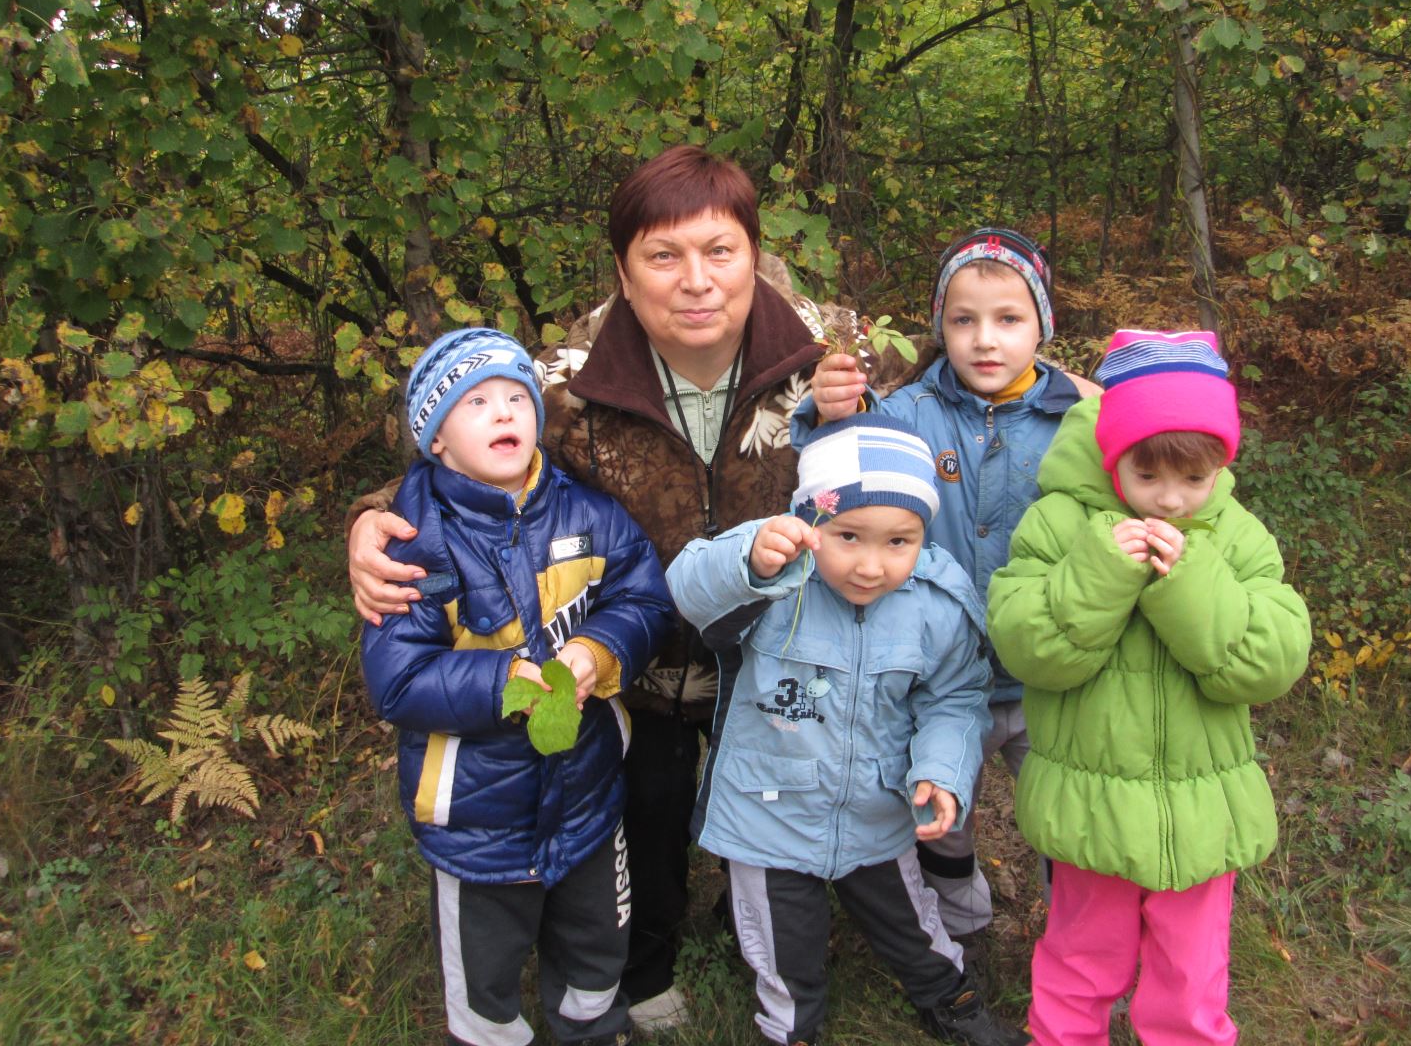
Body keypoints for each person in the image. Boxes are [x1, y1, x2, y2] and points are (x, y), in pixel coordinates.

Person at [346, 146, 927, 1031]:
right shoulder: (564, 383)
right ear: (623, 271)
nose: (696, 282)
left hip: (784, 652)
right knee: (647, 811)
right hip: (632, 666)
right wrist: (372, 516)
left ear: (755, 251)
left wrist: (1082, 394)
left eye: (719, 251)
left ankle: (779, 936)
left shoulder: (833, 353)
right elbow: (462, 453)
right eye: (663, 256)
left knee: (784, 807)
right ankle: (642, 961)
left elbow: (953, 403)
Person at [986, 329, 1311, 1045]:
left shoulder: (1237, 535)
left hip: (1202, 810)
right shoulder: (1061, 521)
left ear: (1219, 468)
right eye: (1149, 475)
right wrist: (1102, 574)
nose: (1170, 501)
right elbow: (1027, 646)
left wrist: (1190, 581)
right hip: (1091, 806)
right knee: (1079, 965)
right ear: (1113, 456)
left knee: (1191, 981)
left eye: (1193, 481)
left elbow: (1270, 660)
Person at [665, 413, 1031, 1046]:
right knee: (785, 945)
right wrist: (748, 558)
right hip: (769, 811)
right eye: (849, 536)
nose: (870, 565)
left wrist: (941, 774)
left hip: (876, 812)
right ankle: (791, 1027)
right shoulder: (774, 577)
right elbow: (690, 590)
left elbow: (953, 699)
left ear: (923, 534)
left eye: (898, 542)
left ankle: (951, 1000)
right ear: (812, 523)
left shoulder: (935, 603)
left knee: (914, 925)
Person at [360, 327, 675, 1046]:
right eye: (475, 403)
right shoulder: (413, 547)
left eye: (515, 397)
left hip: (590, 788)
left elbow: (644, 599)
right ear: (435, 440)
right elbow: (398, 678)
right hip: (478, 810)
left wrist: (600, 649)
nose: (503, 412)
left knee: (598, 942)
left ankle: (593, 1028)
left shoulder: (586, 512)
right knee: (486, 967)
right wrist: (501, 678)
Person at [798, 228, 1096, 954]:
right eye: (963, 321)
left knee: (1067, 809)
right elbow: (836, 477)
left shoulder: (1081, 420)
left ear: (1043, 326)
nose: (984, 340)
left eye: (1008, 320)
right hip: (941, 670)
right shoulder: (907, 414)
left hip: (1047, 672)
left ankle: (1086, 938)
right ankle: (958, 914)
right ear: (941, 325)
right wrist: (826, 414)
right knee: (939, 807)